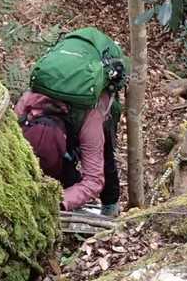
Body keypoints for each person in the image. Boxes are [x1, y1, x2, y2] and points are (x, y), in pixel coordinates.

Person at [16, 28, 126, 216]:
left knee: (106, 158)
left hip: (95, 105)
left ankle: (111, 208)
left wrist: (58, 202)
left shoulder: (90, 121)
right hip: (67, 121)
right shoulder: (27, 104)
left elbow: (93, 180)